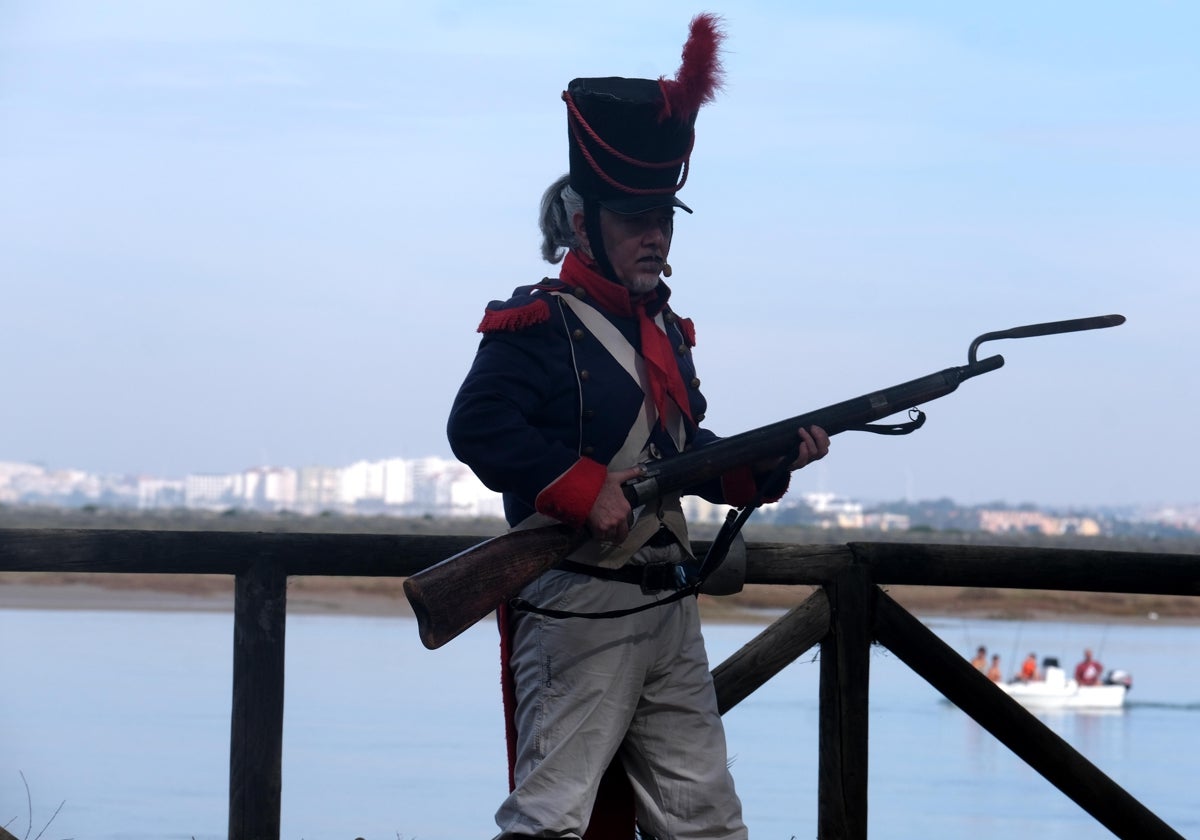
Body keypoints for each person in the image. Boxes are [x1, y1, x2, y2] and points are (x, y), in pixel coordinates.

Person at [446, 14, 830, 840]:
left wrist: (763, 465)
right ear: (584, 225)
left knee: (706, 824)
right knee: (548, 822)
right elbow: (477, 426)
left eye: (662, 216)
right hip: (579, 604)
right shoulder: (538, 324)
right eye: (633, 218)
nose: (654, 233)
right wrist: (585, 489)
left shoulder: (666, 332)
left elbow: (679, 453)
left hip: (669, 608)